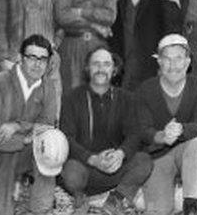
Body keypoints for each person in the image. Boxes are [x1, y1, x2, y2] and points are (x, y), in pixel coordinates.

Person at [0, 34, 63, 215]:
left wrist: (18, 126)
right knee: (3, 212)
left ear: (49, 62)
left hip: (26, 149)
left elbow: (48, 125)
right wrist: (28, 136)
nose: (37, 64)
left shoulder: (48, 87)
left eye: (43, 59)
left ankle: (29, 193)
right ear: (20, 58)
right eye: (32, 57)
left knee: (49, 144)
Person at [59, 47, 153, 215]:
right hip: (85, 168)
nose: (101, 69)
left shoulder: (127, 98)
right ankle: (81, 197)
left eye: (106, 64)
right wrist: (93, 159)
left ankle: (116, 199)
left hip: (115, 167)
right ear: (87, 68)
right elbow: (67, 138)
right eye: (96, 64)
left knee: (144, 160)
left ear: (114, 70)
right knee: (70, 172)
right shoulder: (71, 98)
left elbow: (134, 134)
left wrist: (120, 154)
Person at [135, 34, 197, 215]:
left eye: (178, 59)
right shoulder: (146, 89)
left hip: (188, 151)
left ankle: (192, 204)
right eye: (167, 59)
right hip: (158, 156)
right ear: (159, 62)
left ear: (187, 62)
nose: (173, 65)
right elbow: (143, 130)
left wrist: (180, 129)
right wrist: (162, 136)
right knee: (159, 210)